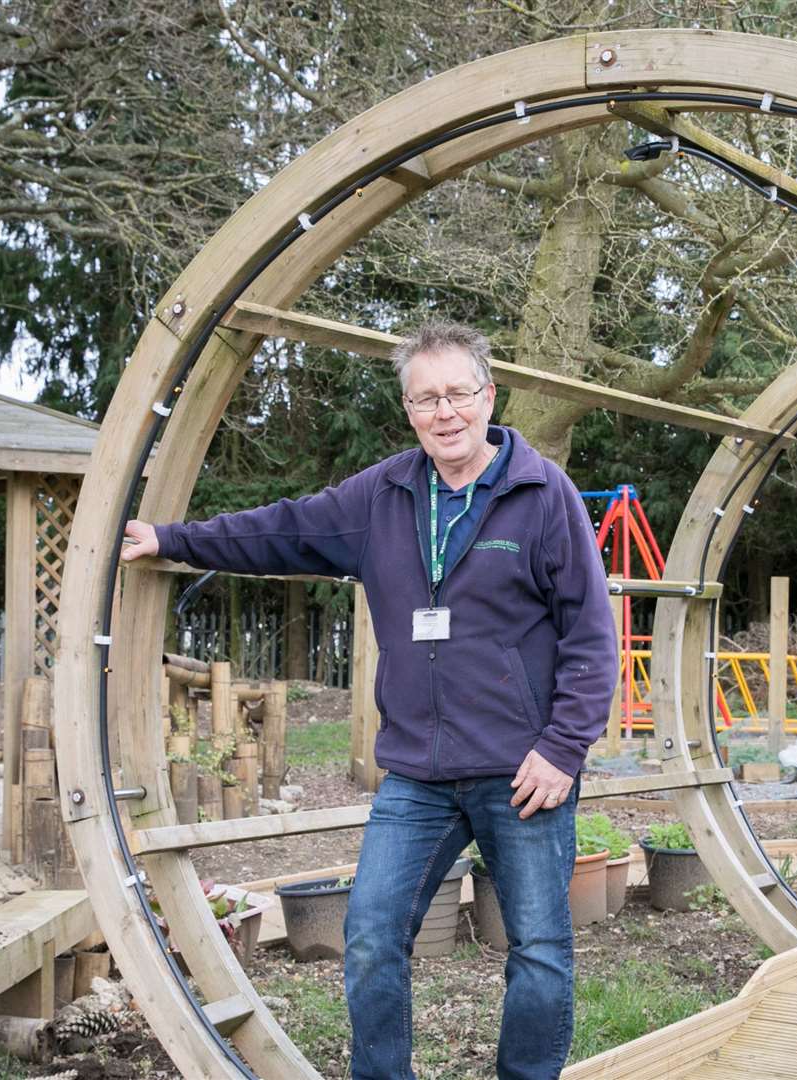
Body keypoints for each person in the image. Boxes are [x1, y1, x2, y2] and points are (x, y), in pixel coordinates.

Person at [121, 321, 616, 1080]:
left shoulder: (543, 494)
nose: (444, 412)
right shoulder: (382, 494)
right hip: (417, 774)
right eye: (425, 399)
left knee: (540, 947)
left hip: (521, 771)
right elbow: (280, 530)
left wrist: (562, 748)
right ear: (408, 409)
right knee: (371, 935)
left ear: (488, 396)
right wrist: (173, 538)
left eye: (457, 393)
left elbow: (590, 634)